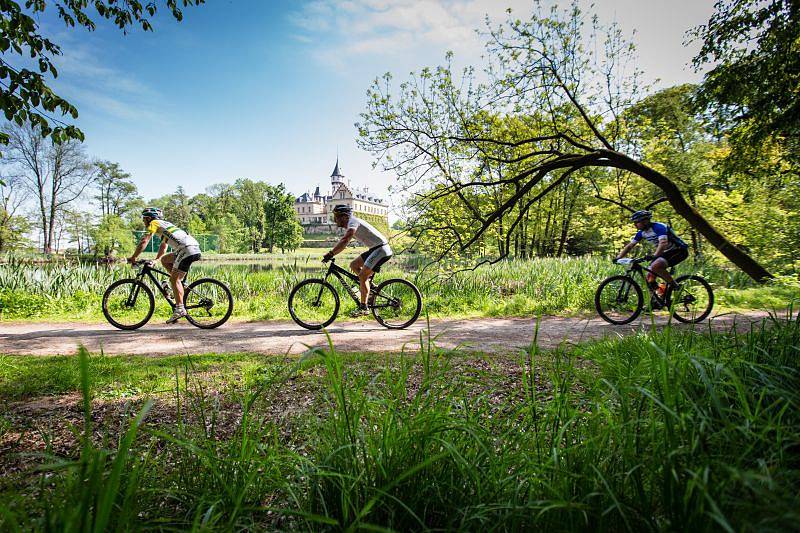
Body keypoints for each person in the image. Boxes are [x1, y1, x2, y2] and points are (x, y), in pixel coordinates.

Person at [128, 207, 202, 323]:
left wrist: (133, 257)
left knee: (174, 279)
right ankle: (177, 289)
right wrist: (156, 260)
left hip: (186, 249)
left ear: (148, 218)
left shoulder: (153, 223)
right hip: (191, 247)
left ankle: (180, 309)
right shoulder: (163, 225)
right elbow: (164, 246)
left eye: (144, 219)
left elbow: (144, 241)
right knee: (165, 260)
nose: (143, 221)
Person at [323, 204, 393, 317]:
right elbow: (346, 242)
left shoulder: (352, 222)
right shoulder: (352, 222)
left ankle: (363, 307)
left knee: (362, 276)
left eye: (337, 217)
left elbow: (345, 240)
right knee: (354, 265)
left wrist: (331, 253)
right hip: (376, 248)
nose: (335, 220)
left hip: (381, 249)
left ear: (344, 216)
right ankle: (369, 286)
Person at [615, 210, 689, 306]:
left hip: (678, 251)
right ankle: (658, 299)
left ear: (645, 221)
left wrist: (655, 255)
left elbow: (663, 243)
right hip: (664, 253)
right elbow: (630, 246)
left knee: (656, 266)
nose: (635, 225)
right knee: (650, 278)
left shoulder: (659, 227)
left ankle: (677, 288)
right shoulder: (642, 233)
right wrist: (618, 258)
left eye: (636, 222)